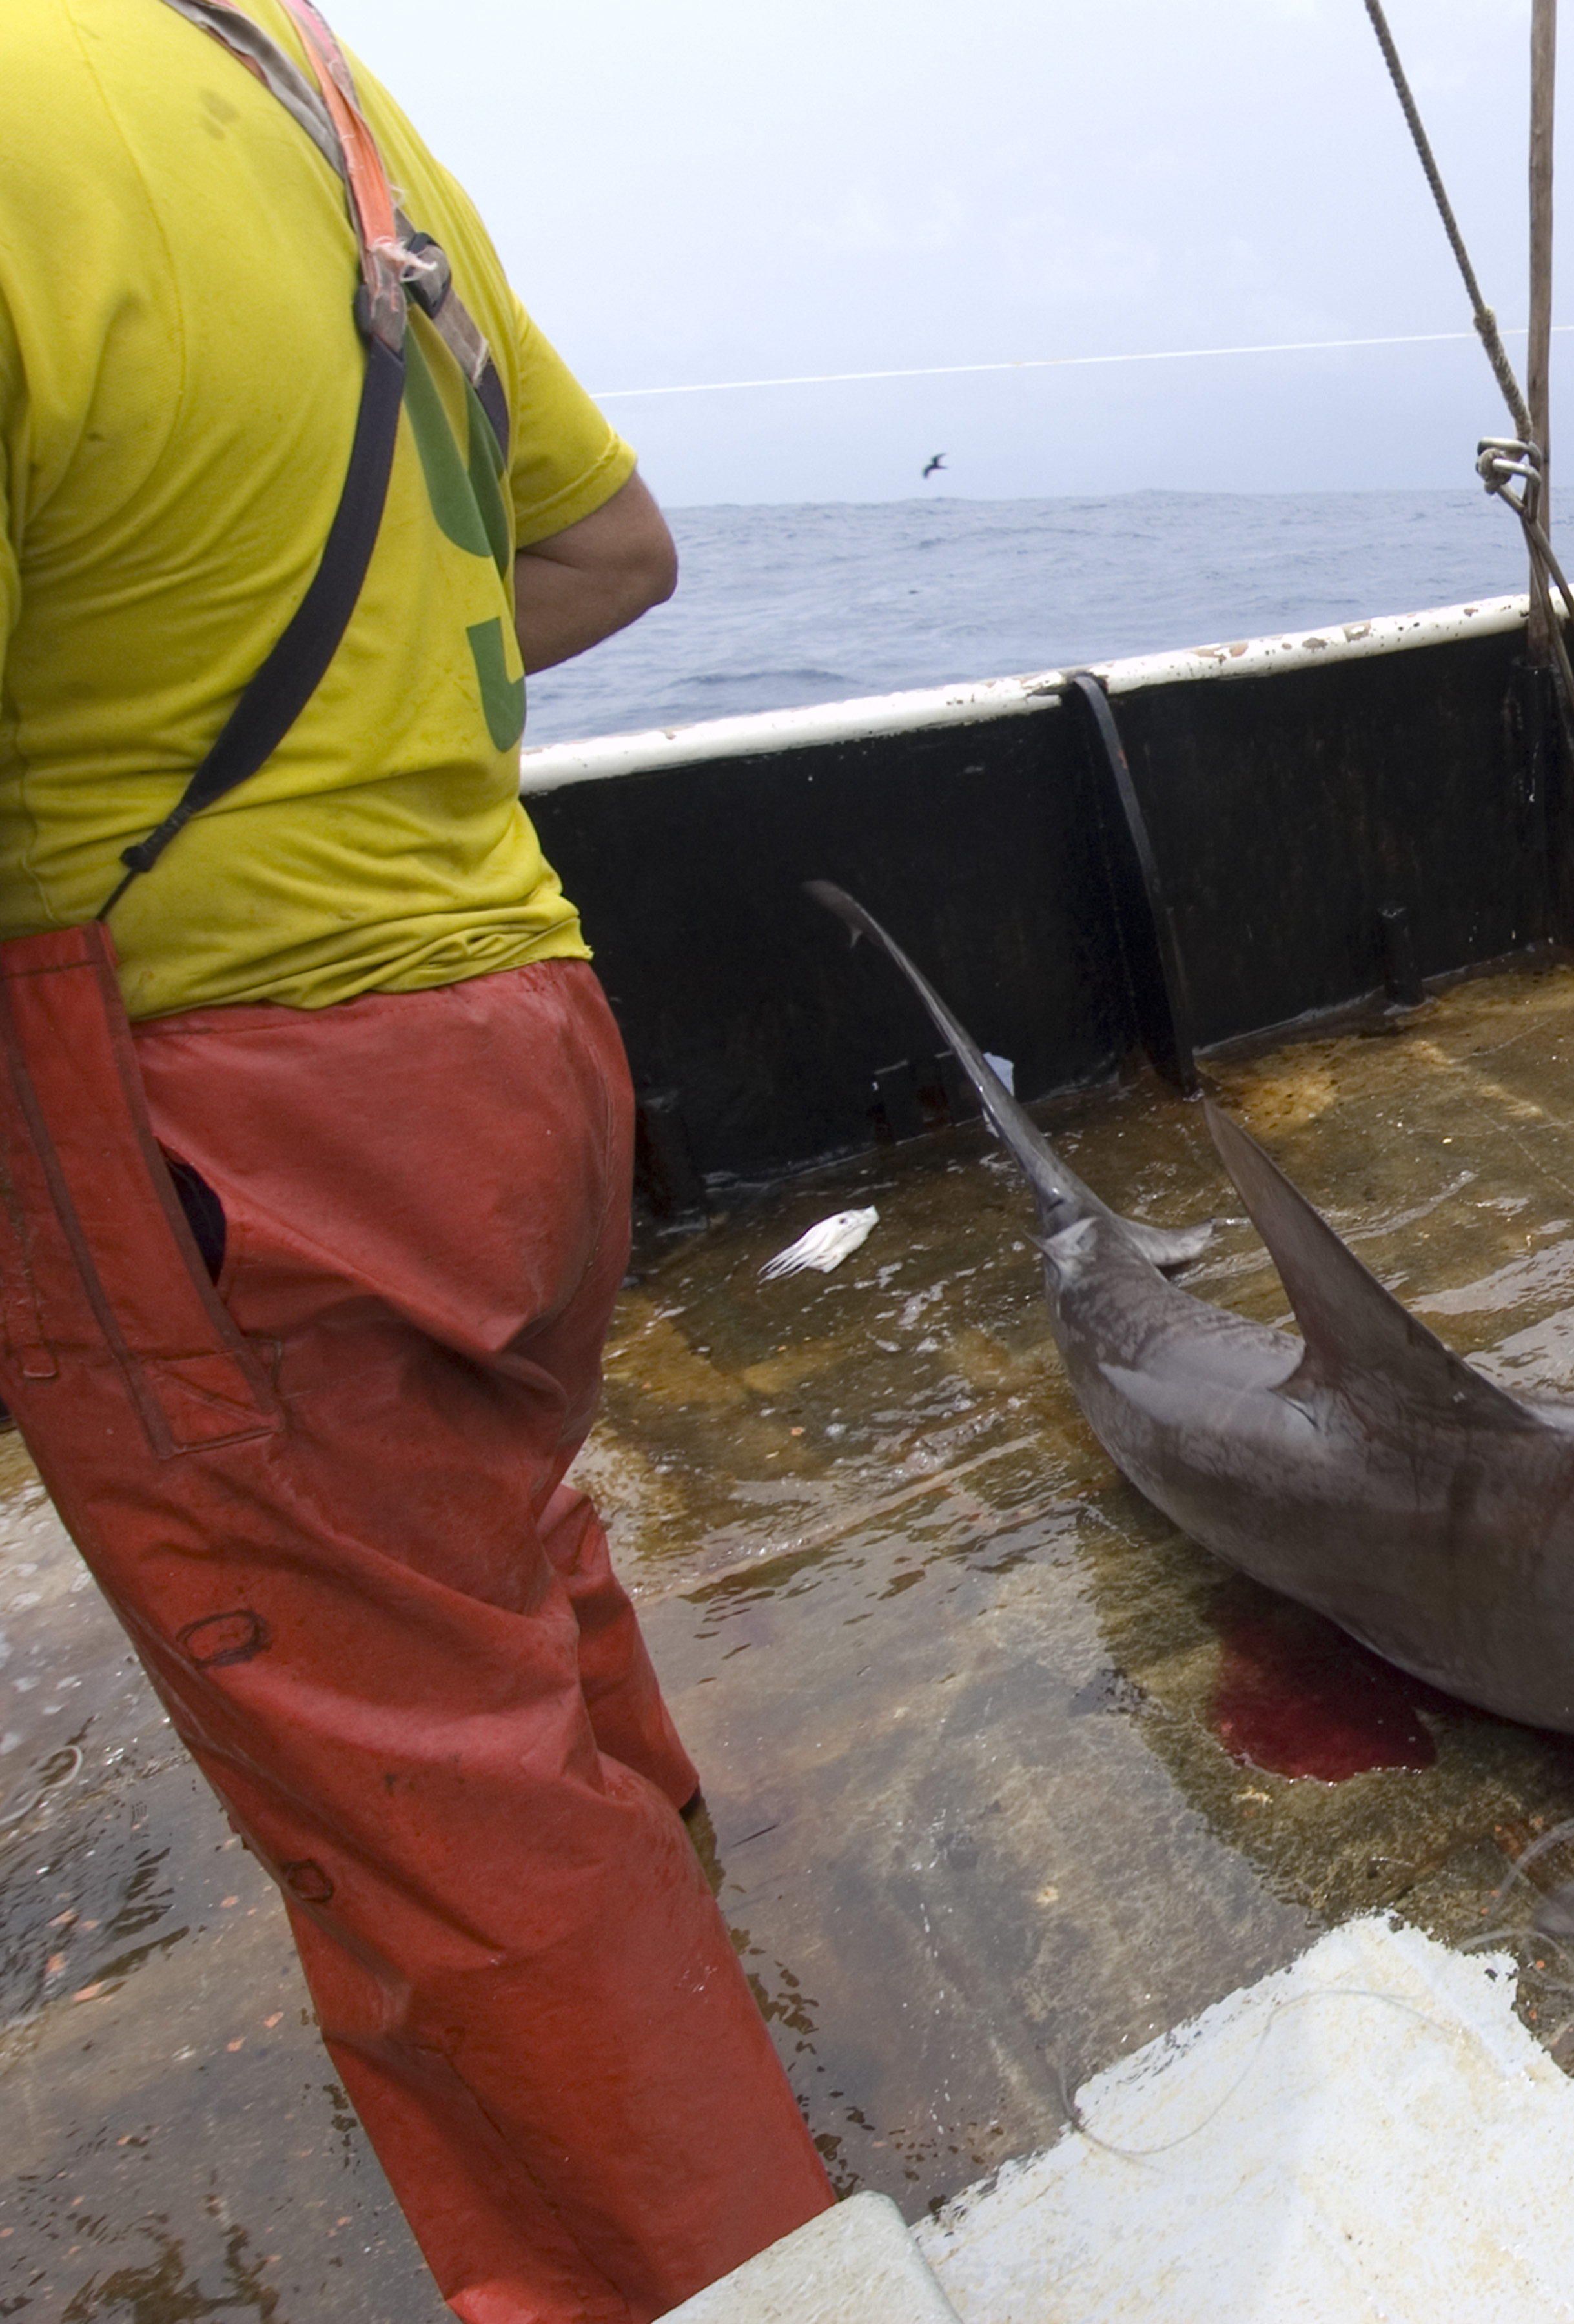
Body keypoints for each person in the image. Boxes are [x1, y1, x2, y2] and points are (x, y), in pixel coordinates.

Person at [2, 3, 833, 2318]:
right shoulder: (296, 82)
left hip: (208, 1110)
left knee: (420, 1801)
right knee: (496, 1563)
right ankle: (657, 1923)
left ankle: (708, 2257)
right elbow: (604, 547)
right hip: (508, 1032)